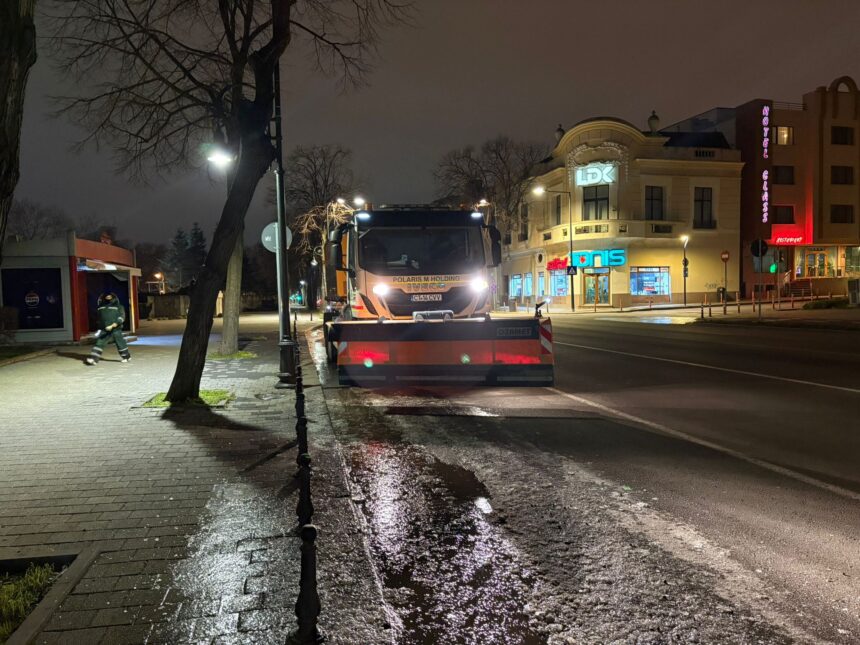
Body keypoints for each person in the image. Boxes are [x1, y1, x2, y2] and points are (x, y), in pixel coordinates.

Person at [85, 292, 131, 365]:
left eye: (110, 297)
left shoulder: (119, 306)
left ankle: (126, 357)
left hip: (116, 329)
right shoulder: (100, 307)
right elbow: (99, 319)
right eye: (107, 297)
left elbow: (122, 317)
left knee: (120, 344)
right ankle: (94, 359)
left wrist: (113, 325)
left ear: (114, 298)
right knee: (99, 343)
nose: (108, 298)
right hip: (105, 329)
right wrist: (99, 328)